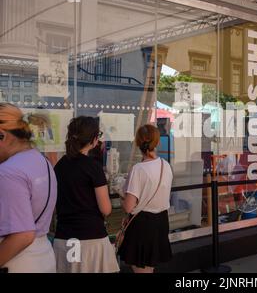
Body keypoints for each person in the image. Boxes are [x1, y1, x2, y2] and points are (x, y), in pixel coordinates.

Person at [53, 116, 119, 273]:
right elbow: (106, 209)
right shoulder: (93, 167)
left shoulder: (60, 166)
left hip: (65, 238)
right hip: (90, 240)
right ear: (93, 139)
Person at [0, 103, 57, 273]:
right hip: (43, 255)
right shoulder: (42, 162)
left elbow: (22, 235)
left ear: (2, 136)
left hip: (15, 262)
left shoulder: (8, 172)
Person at [118, 124, 173, 273]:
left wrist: (121, 194)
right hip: (161, 221)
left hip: (142, 225)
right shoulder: (166, 165)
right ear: (157, 142)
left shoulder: (138, 169)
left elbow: (129, 207)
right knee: (149, 268)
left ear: (137, 143)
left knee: (142, 270)